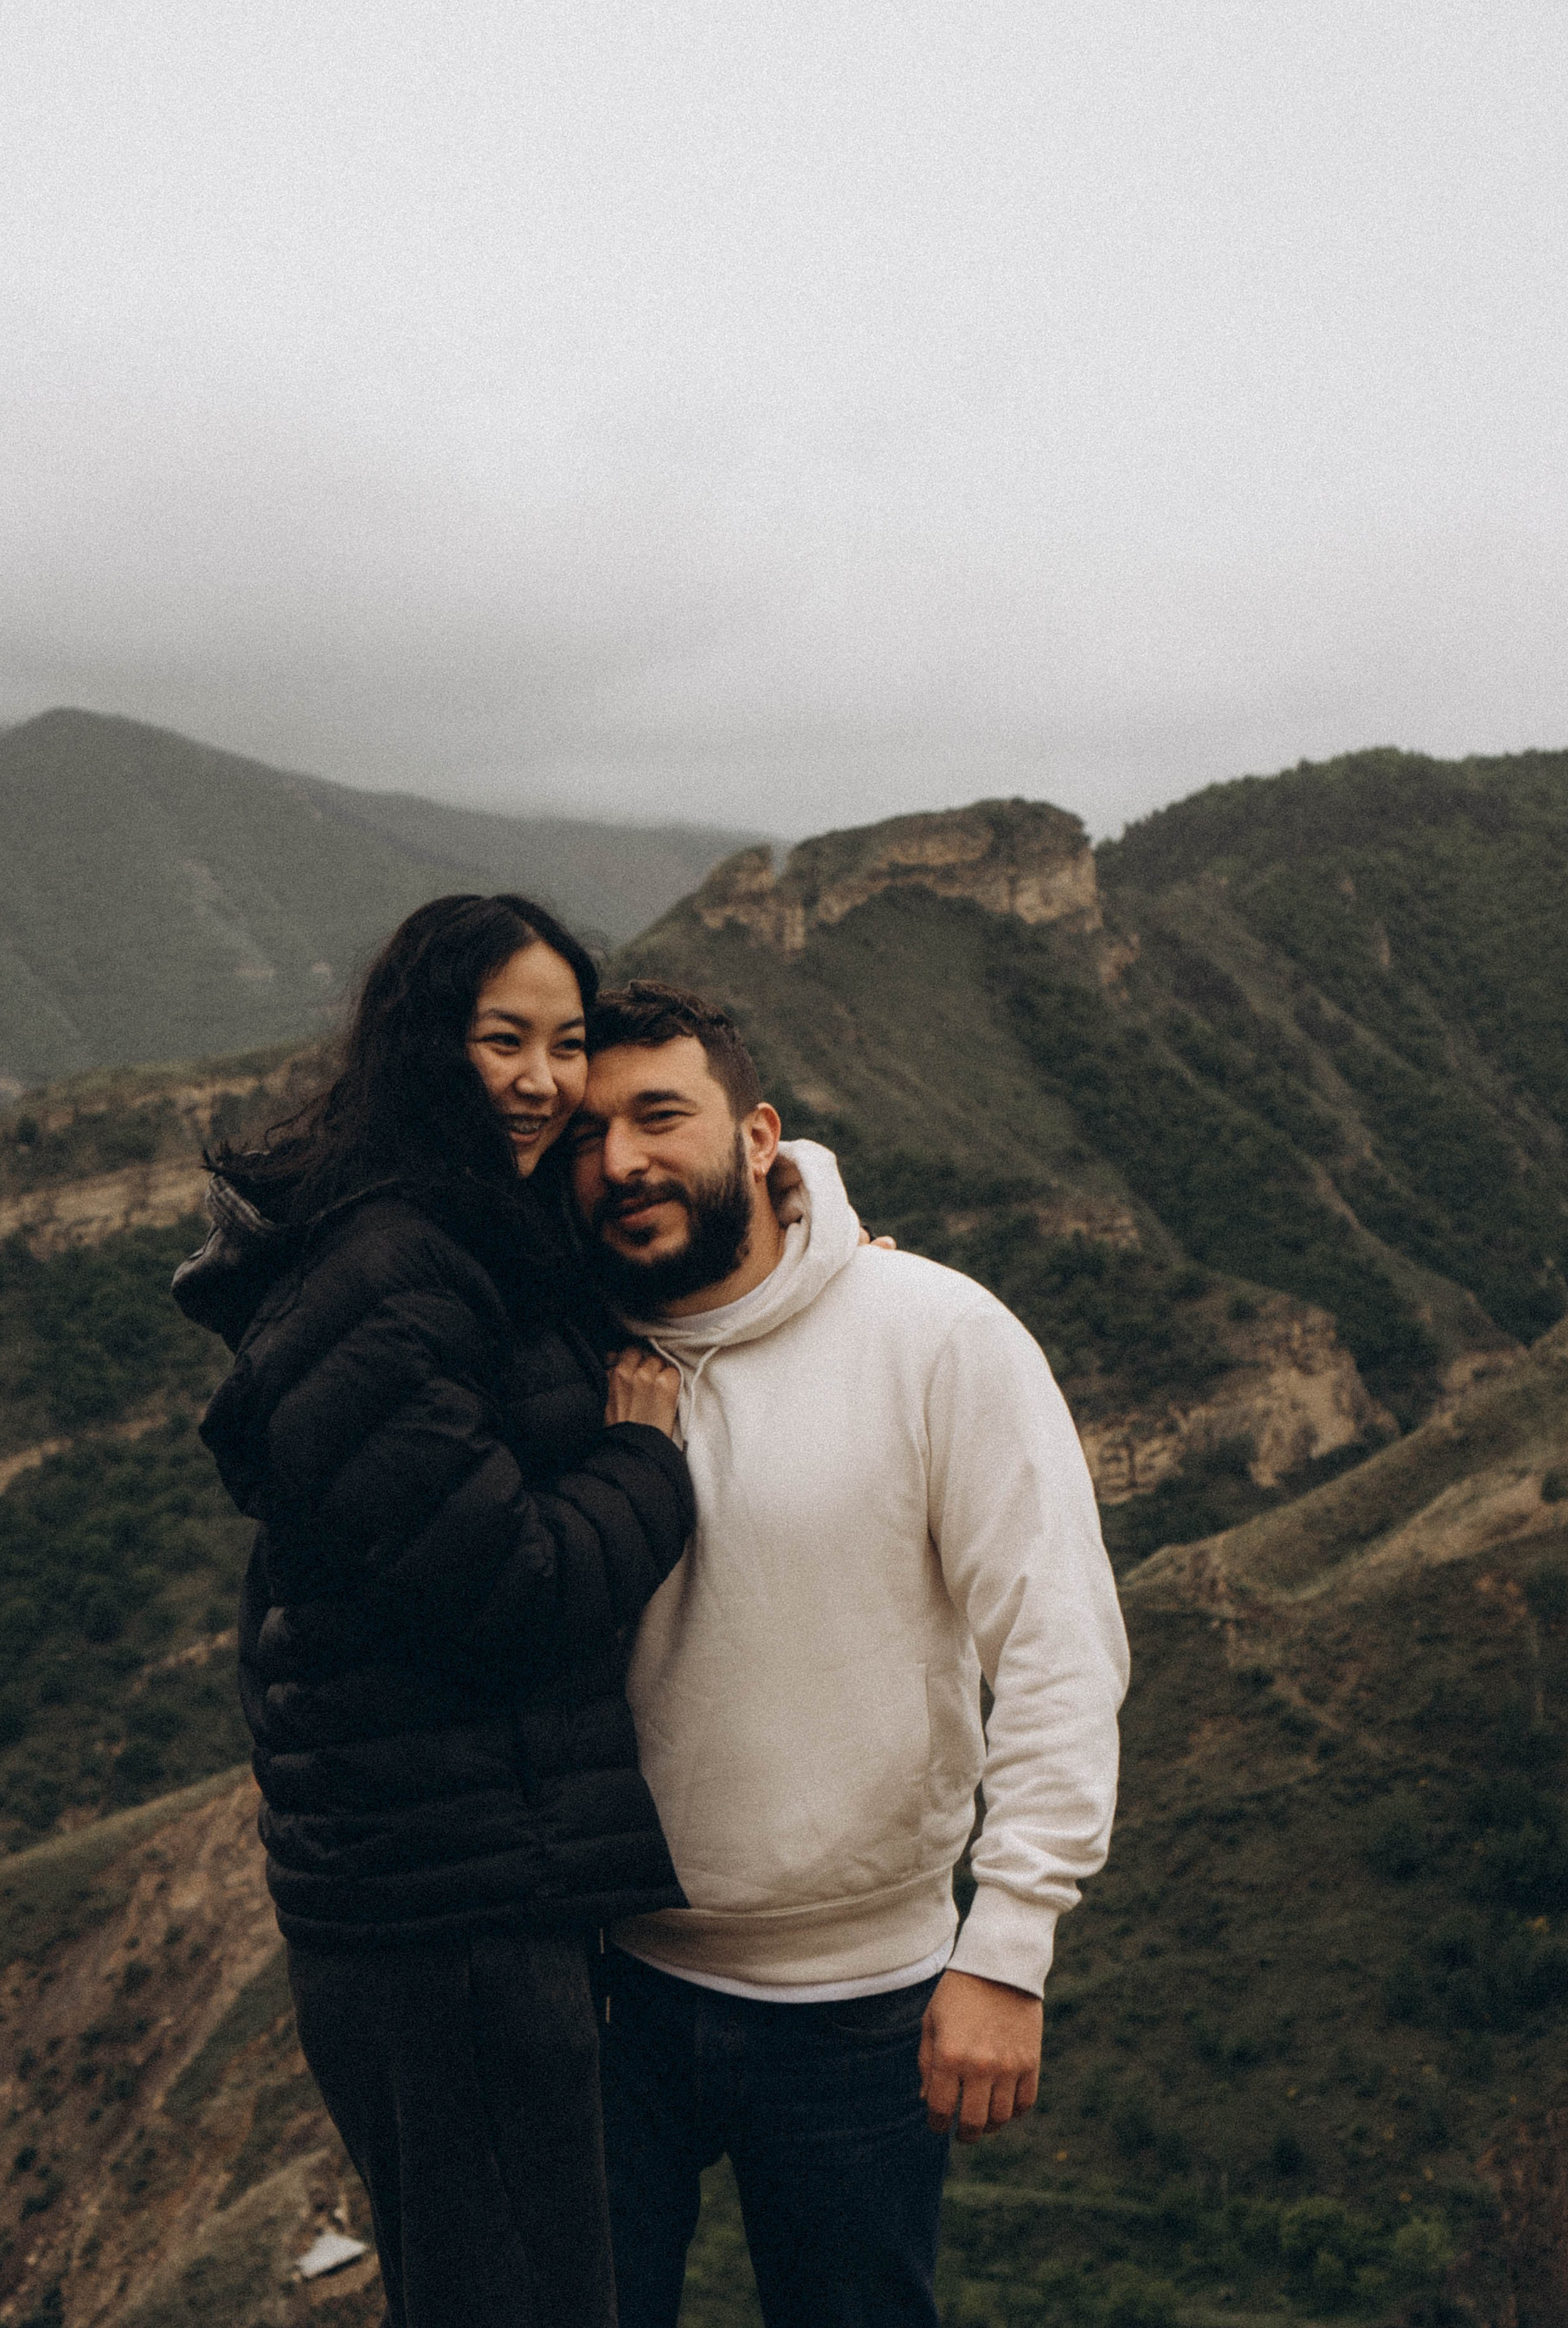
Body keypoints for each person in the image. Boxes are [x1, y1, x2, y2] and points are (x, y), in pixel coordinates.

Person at [567, 979, 1130, 2328]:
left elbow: (1057, 1639)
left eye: (660, 1115)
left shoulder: (932, 1333)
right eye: (589, 1134)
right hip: (600, 1989)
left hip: (860, 2006)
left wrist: (1008, 1944)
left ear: (757, 1135)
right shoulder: (560, 1349)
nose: (623, 1159)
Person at [171, 896, 694, 2328]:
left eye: (566, 1044)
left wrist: (815, 1230)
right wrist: (646, 1464)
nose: (541, 1077)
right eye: (501, 1038)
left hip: (453, 1882)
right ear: (424, 1046)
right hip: (444, 1917)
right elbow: (509, 1589)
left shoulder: (459, 1235)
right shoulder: (387, 1267)